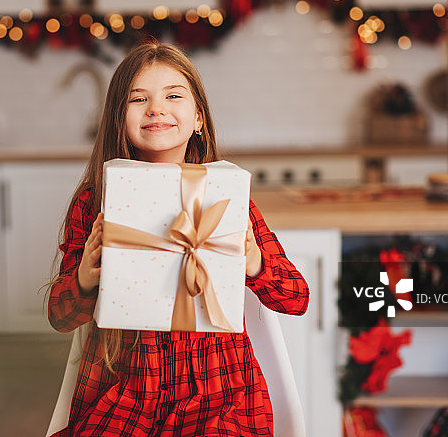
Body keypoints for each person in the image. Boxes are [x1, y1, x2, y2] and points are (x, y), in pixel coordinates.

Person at [47, 41, 309, 436]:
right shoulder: (96, 200)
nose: (156, 108)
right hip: (126, 393)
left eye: (173, 96)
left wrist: (254, 262)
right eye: (139, 99)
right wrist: (85, 277)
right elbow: (60, 316)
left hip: (219, 394)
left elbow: (296, 298)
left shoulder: (226, 197)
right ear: (118, 119)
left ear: (198, 117)